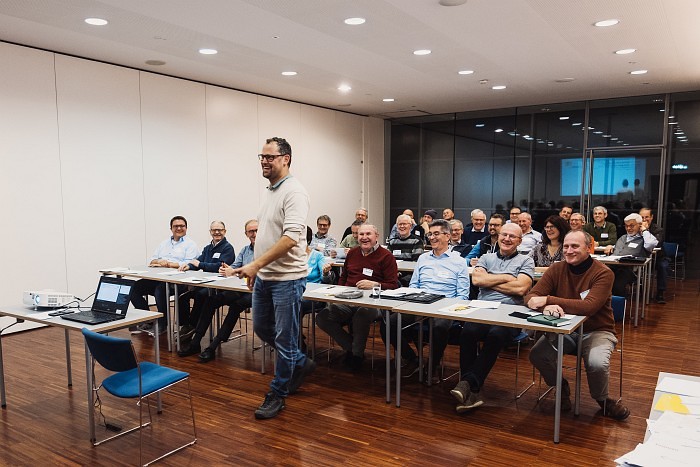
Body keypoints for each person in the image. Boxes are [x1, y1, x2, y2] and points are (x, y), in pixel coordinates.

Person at [232, 137, 313, 420]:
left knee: (285, 338)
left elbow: (291, 238)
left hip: (287, 279)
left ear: (286, 158)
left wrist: (255, 265)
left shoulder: (295, 192)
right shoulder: (271, 191)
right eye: (262, 157)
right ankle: (300, 362)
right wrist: (258, 270)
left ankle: (278, 393)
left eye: (270, 157)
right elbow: (267, 237)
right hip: (266, 276)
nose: (264, 162)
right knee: (262, 328)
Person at [525, 230, 630, 420]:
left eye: (575, 246)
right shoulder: (556, 269)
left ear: (589, 248)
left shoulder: (603, 273)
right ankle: (561, 386)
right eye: (565, 246)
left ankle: (603, 400)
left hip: (597, 330)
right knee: (537, 355)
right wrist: (545, 307)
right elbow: (531, 297)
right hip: (565, 330)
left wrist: (548, 299)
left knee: (597, 363)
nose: (569, 250)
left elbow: (588, 307)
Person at [450, 223, 534, 412]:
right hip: (482, 309)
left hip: (510, 313)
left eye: (512, 236)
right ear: (499, 236)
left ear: (519, 241)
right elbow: (477, 280)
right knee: (468, 332)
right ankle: (471, 389)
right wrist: (508, 277)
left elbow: (521, 289)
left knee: (496, 334)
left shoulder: (526, 261)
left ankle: (467, 383)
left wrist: (490, 281)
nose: (507, 239)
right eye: (504, 235)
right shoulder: (486, 258)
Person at [382, 219, 470, 381]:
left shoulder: (459, 261)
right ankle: (413, 359)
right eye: (430, 234)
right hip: (421, 302)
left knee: (439, 326)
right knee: (389, 323)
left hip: (445, 306)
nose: (432, 237)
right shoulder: (423, 258)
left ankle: (432, 366)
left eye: (436, 234)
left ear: (447, 236)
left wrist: (450, 309)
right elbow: (414, 285)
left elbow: (463, 295)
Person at [316, 224, 399, 371]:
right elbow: (343, 277)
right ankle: (352, 348)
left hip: (374, 302)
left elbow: (393, 285)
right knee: (323, 317)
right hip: (348, 299)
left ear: (376, 236)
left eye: (368, 234)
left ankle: (356, 357)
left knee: (362, 314)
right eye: (361, 234)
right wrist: (338, 292)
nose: (364, 237)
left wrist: (375, 284)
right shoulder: (353, 253)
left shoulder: (386, 256)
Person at [178, 220, 256, 361]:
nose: (254, 234)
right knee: (211, 300)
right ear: (246, 234)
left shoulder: (267, 250)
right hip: (239, 288)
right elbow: (233, 267)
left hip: (258, 291)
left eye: (256, 231)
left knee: (236, 305)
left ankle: (213, 346)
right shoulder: (245, 250)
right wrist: (228, 269)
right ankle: (195, 342)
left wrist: (234, 271)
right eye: (251, 231)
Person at [130, 215, 198, 334]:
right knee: (133, 287)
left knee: (160, 290)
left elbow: (189, 263)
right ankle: (148, 320)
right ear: (171, 228)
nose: (179, 228)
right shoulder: (164, 243)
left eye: (182, 226)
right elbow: (152, 260)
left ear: (186, 228)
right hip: (159, 278)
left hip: (179, 281)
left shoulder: (191, 245)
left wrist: (169, 264)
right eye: (176, 226)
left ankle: (162, 324)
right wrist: (159, 261)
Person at [176, 220, 236, 341]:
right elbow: (198, 261)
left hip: (219, 285)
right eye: (214, 230)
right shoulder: (208, 248)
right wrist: (189, 266)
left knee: (201, 295)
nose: (217, 232)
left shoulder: (228, 248)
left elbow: (219, 267)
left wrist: (201, 265)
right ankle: (185, 325)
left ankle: (192, 325)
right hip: (205, 282)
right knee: (182, 294)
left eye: (220, 230)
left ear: (225, 231)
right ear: (210, 232)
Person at [604, 213, 658, 297]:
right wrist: (611, 246)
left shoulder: (645, 239)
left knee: (617, 286)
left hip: (629, 269)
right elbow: (619, 249)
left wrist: (644, 230)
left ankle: (617, 303)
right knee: (599, 279)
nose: (628, 228)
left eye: (632, 226)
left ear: (640, 225)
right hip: (612, 266)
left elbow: (651, 244)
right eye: (626, 226)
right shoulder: (623, 237)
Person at [639, 208, 667, 303]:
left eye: (646, 217)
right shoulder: (636, 227)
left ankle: (660, 293)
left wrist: (646, 230)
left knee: (663, 267)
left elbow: (657, 244)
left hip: (658, 257)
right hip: (642, 255)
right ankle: (641, 290)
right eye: (642, 217)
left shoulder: (658, 229)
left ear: (651, 217)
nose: (644, 219)